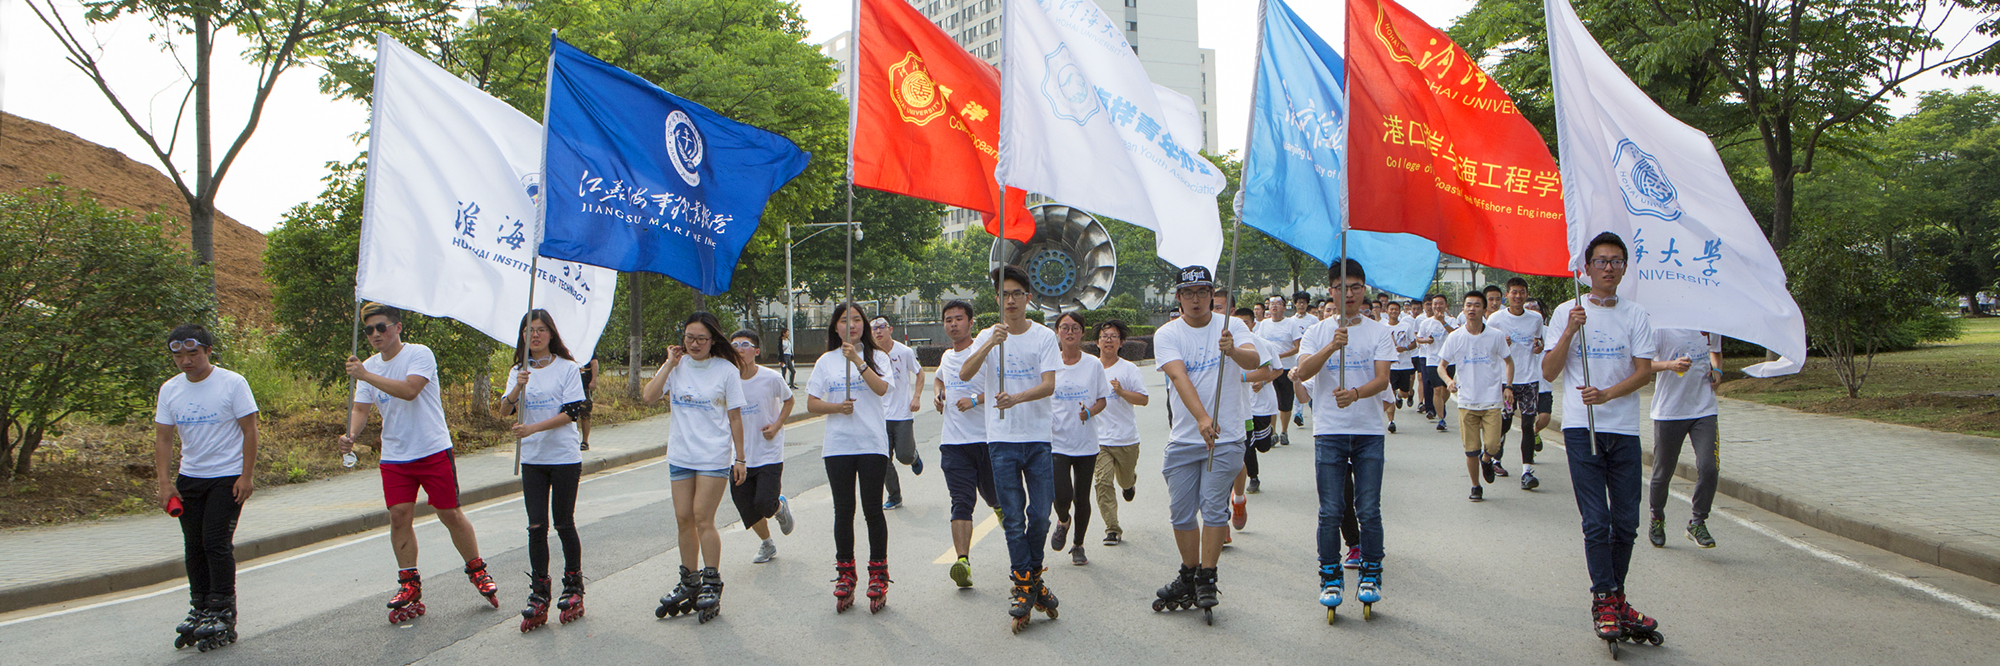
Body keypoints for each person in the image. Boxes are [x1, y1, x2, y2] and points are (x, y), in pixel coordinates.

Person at [339, 303, 498, 623]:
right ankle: (408, 582)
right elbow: (360, 408)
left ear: (397, 327)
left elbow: (410, 390)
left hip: (431, 449)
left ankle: (477, 569)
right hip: (395, 455)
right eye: (369, 330)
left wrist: (366, 375)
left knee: (448, 513)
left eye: (381, 327)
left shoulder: (418, 354)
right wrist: (351, 434)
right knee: (398, 516)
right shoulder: (368, 367)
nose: (374, 335)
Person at [1543, 232, 1664, 645]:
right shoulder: (1567, 311)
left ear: (1624, 268)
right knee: (1597, 521)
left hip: (1624, 429)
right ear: (1587, 268)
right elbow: (1549, 371)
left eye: (1616, 261)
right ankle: (1604, 600)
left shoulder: (1636, 314)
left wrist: (1608, 394)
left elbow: (1644, 372)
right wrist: (1569, 332)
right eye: (1601, 261)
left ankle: (1616, 597)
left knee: (1626, 522)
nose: (1608, 268)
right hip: (1583, 428)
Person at [1150, 266, 1270, 621]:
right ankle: (1189, 573)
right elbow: (1178, 376)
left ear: (1212, 294)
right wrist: (1202, 418)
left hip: (1227, 437)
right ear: (1178, 297)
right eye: (1188, 293)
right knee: (1181, 511)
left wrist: (1233, 351)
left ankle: (1208, 575)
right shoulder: (1167, 333)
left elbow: (1256, 360)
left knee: (1213, 507)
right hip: (1185, 438)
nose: (1196, 299)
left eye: (1203, 292)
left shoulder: (1231, 326)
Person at [958, 265, 1063, 630]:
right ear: (997, 299)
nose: (1011, 300)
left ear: (1028, 297)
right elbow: (964, 374)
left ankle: (1030, 580)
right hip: (1001, 440)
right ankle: (1026, 585)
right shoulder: (989, 335)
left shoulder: (1044, 337)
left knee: (1041, 515)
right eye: (1004, 295)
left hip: (1037, 439)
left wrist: (1015, 398)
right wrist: (990, 342)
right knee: (1014, 519)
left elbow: (1049, 385)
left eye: (1017, 294)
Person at [1293, 259, 1397, 619]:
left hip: (1368, 432)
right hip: (1329, 431)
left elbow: (1382, 380)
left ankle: (1371, 573)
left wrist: (1354, 394)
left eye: (1355, 287)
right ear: (1330, 291)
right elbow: (1302, 371)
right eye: (1341, 288)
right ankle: (1330, 577)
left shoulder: (1378, 332)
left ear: (1364, 290)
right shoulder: (1316, 332)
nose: (1348, 294)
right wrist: (1330, 346)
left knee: (1368, 509)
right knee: (1331, 510)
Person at [155, 324, 258, 651]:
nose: (186, 361)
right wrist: (164, 482)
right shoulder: (170, 389)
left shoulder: (232, 383)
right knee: (194, 545)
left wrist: (246, 475)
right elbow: (163, 438)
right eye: (179, 356)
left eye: (193, 353)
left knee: (215, 542)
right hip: (190, 478)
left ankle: (222, 608)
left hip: (227, 477)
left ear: (208, 351)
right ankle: (200, 606)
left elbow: (250, 430)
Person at [643, 311, 747, 623]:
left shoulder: (726, 370)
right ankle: (689, 579)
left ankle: (711, 580)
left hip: (713, 455)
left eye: (702, 338)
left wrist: (740, 458)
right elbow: (648, 397)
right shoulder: (677, 366)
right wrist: (669, 364)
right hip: (681, 455)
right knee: (683, 518)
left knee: (703, 517)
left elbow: (735, 417)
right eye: (690, 338)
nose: (695, 344)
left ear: (713, 340)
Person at [495, 310, 591, 630]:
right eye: (529, 330)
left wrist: (533, 429)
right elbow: (504, 410)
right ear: (522, 336)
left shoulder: (567, 368)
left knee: (563, 523)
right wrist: (516, 388)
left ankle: (573, 585)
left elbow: (571, 412)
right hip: (532, 460)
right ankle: (539, 591)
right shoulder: (518, 371)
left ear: (551, 334)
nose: (534, 335)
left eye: (540, 330)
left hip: (563, 458)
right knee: (536, 526)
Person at [805, 302, 895, 613]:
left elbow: (881, 389)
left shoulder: (878, 357)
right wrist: (836, 408)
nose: (851, 325)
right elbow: (811, 403)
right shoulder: (825, 361)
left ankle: (878, 575)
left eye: (857, 320)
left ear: (864, 326)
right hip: (838, 447)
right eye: (845, 320)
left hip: (871, 444)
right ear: (836, 327)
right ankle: (845, 574)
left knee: (873, 510)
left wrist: (857, 359)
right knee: (843, 511)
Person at [934, 300, 1000, 587]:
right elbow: (939, 380)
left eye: (959, 319)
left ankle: (1001, 512)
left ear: (971, 322)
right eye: (948, 320)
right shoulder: (947, 356)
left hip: (986, 441)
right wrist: (938, 395)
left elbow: (1000, 388)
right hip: (953, 443)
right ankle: (963, 562)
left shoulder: (984, 352)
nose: (953, 324)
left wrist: (974, 400)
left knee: (995, 498)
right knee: (961, 502)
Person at [1648, 329, 1724, 549]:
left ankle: (1697, 523)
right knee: (1663, 471)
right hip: (1669, 411)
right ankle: (1657, 517)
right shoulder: (1662, 329)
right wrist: (1670, 365)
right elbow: (1643, 365)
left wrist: (1717, 370)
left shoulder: (1710, 324)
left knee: (1709, 467)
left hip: (1704, 409)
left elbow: (1716, 353)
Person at [1438, 292, 1515, 503]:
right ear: (1463, 309)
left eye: (1477, 305)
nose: (1472, 309)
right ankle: (1475, 486)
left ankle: (1487, 459)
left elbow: (1509, 362)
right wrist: (1449, 381)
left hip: (1491, 400)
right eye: (1468, 305)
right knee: (1471, 450)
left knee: (1493, 445)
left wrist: (1508, 387)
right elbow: (1441, 366)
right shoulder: (1455, 337)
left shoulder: (1496, 336)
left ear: (1484, 309)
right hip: (1466, 401)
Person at [729, 330, 797, 564]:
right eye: (734, 345)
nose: (739, 349)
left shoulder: (771, 378)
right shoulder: (727, 380)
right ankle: (767, 543)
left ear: (756, 351)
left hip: (768, 451)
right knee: (746, 506)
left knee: (765, 504)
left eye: (745, 345)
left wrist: (777, 425)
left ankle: (778, 507)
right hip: (738, 456)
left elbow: (789, 400)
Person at [1048, 312, 1110, 566]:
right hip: (1057, 441)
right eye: (1065, 327)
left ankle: (1078, 545)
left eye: (1075, 328)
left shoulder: (1093, 364)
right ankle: (1063, 520)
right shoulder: (1050, 363)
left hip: (1086, 442)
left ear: (1083, 332)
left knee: (1081, 498)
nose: (1070, 332)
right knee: (1061, 495)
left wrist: (1090, 412)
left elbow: (1102, 400)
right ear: (1057, 332)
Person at [1091, 320, 1149, 547]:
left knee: (1124, 479)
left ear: (1121, 342)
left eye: (1113, 336)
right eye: (1104, 336)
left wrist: (1122, 392)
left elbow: (1143, 399)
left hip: (1126, 439)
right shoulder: (1091, 368)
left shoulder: (1129, 369)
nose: (1108, 340)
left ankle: (1128, 484)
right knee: (1102, 482)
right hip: (1099, 440)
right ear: (1097, 342)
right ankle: (1112, 528)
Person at [1489, 278, 1549, 490]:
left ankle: (1527, 472)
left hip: (1529, 380)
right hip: (1506, 382)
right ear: (1507, 295)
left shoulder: (1536, 318)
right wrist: (1500, 345)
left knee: (1527, 425)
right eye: (1514, 292)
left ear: (1526, 294)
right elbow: (1487, 345)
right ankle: (1493, 457)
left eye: (1522, 292)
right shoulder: (1496, 319)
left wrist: (1539, 347)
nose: (1518, 296)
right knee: (1504, 423)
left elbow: (1538, 342)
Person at [1232, 308, 1286, 519]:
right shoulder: (1226, 343)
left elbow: (1276, 369)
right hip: (1239, 411)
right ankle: (1252, 478)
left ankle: (1267, 436)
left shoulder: (1262, 344)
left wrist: (1260, 381)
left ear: (1253, 324)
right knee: (1246, 450)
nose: (1242, 326)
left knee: (1261, 445)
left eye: (1246, 322)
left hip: (1261, 404)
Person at [874, 318, 925, 510]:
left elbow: (920, 373)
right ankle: (894, 496)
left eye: (881, 327)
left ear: (890, 329)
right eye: (874, 329)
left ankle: (913, 456)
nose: (878, 331)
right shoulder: (870, 354)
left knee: (903, 455)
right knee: (883, 459)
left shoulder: (904, 352)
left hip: (902, 413)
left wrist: (916, 397)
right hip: (880, 416)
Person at [1260, 295, 1306, 447]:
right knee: (1271, 400)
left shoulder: (1291, 324)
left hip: (1286, 368)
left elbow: (1297, 347)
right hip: (1269, 369)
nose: (1274, 306)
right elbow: (1259, 344)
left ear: (1284, 308)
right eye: (1272, 304)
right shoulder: (1264, 324)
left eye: (1278, 303)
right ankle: (1272, 433)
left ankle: (1284, 431)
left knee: (1285, 402)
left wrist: (1279, 356)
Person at [1415, 294, 1457, 429]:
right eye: (1435, 304)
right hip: (1432, 361)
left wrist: (1443, 322)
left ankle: (1440, 405)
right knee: (1437, 389)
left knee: (1446, 390)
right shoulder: (1426, 322)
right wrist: (1426, 341)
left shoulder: (1452, 320)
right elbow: (1418, 338)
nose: (1438, 306)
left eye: (1440, 303)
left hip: (1449, 361)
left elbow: (1456, 335)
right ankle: (1441, 419)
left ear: (1446, 305)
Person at [1380, 300, 1418, 433]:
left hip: (1405, 365)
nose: (1394, 311)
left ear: (1399, 311)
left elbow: (1414, 343)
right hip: (1390, 366)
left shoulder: (1406, 327)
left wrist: (1404, 348)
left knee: (1405, 393)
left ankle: (1399, 396)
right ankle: (1391, 421)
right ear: (1387, 311)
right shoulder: (1382, 327)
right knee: (1389, 393)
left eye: (1396, 309)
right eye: (1391, 309)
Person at [576, 357, 599, 452]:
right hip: (571, 386)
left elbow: (594, 363)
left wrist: (594, 380)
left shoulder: (588, 349)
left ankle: (585, 442)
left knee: (585, 413)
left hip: (585, 386)